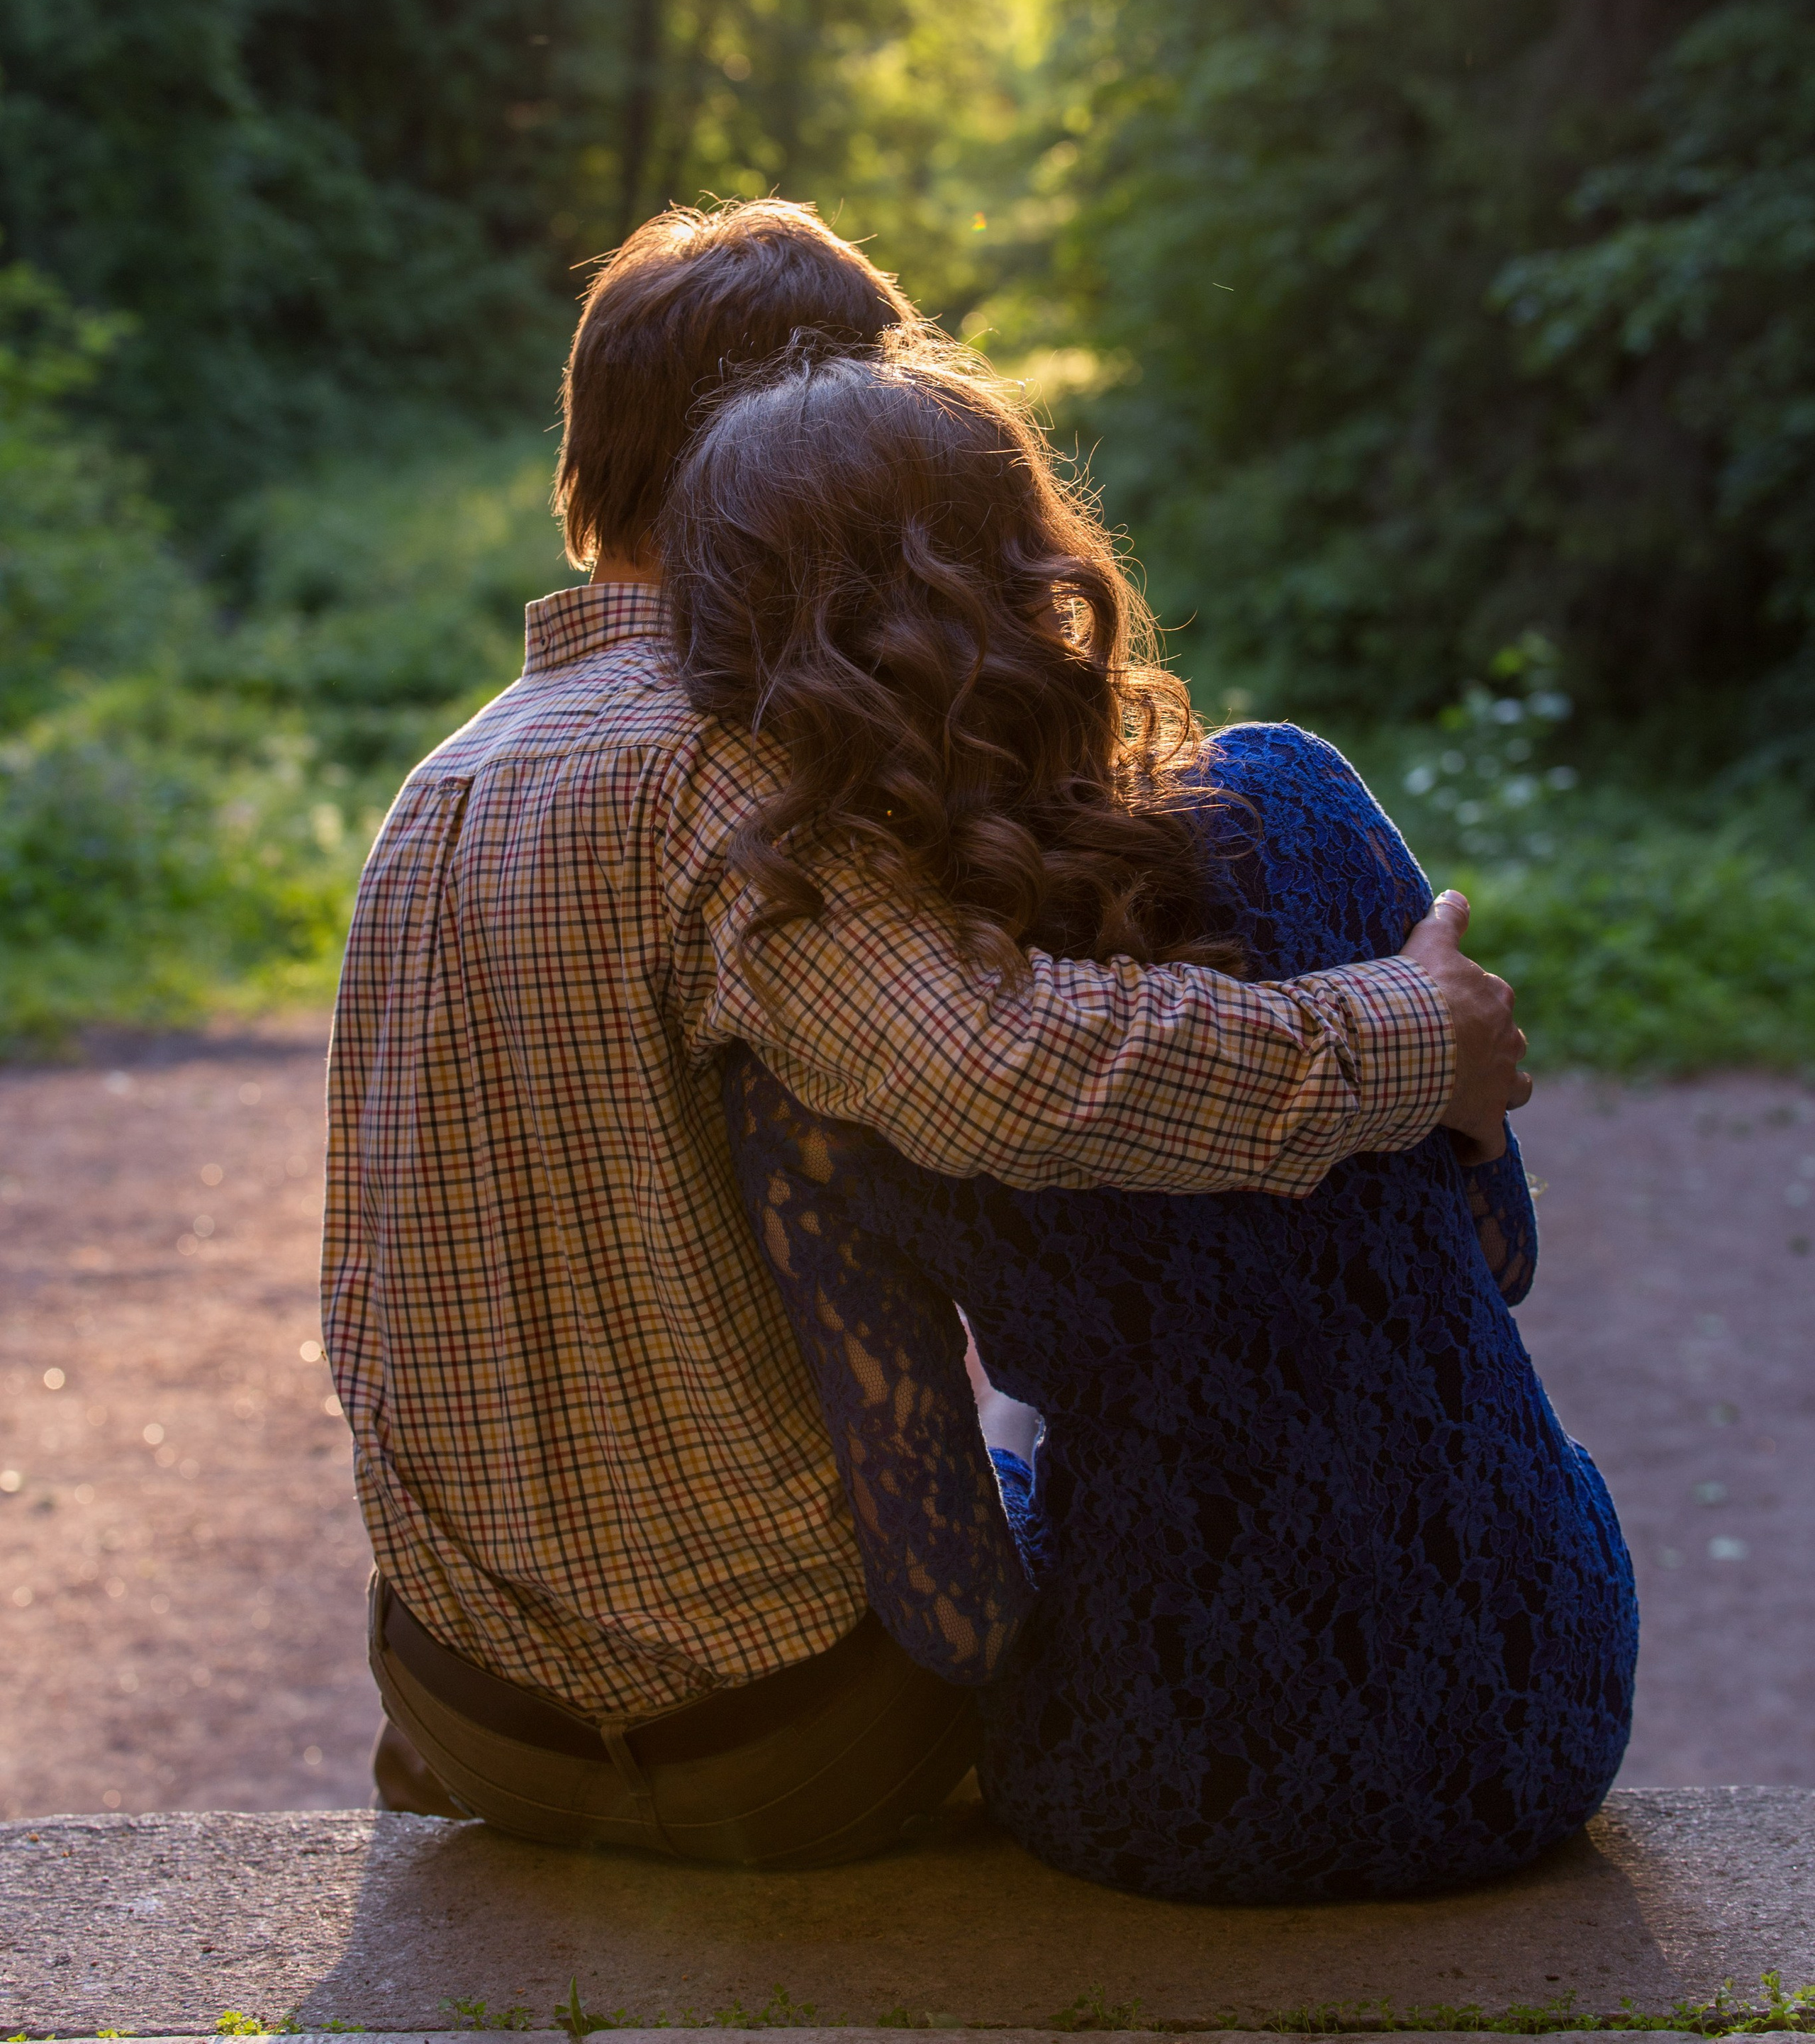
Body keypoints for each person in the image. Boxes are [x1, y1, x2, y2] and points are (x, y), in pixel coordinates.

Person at [325, 199, 1529, 1866]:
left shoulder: (439, 784)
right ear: (803, 460)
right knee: (1063, 1411)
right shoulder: (733, 770)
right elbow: (1007, 1068)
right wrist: (1403, 1036)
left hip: (469, 1709)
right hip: (770, 1734)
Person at [663, 344, 1638, 1899]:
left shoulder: (814, 1066)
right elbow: (1496, 1249)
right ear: (1042, 566)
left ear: (734, 675)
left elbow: (954, 1611)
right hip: (1536, 1698)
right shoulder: (1295, 799)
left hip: (1163, 1785)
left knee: (1026, 1438)